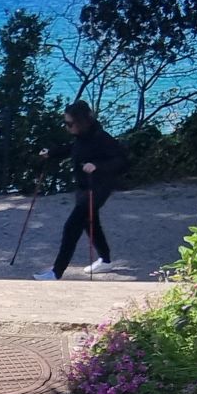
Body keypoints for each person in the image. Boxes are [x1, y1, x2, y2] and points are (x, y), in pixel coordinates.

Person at [32, 101, 127, 280]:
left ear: (82, 121)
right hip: (84, 187)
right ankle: (106, 260)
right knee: (90, 224)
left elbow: (122, 161)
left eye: (69, 123)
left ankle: (56, 272)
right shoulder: (82, 137)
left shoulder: (101, 138)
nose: (67, 127)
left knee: (72, 226)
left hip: (98, 187)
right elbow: (73, 149)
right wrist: (52, 153)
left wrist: (97, 166)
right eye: (65, 123)